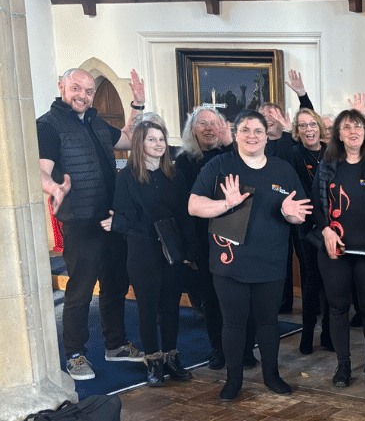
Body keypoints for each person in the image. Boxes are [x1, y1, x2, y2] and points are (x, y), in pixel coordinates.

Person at [188, 110, 312, 401]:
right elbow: (194, 205)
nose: (252, 136)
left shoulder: (282, 170)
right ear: (234, 133)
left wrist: (290, 215)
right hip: (229, 261)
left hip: (270, 261)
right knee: (233, 323)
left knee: (268, 322)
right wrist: (224, 205)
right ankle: (234, 380)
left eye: (258, 130)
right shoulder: (220, 165)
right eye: (245, 130)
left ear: (267, 135)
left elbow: (299, 214)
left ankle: (271, 375)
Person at [37, 67, 148, 381]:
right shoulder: (48, 125)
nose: (83, 95)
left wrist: (137, 105)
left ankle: (115, 345)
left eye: (88, 91)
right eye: (76, 88)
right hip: (80, 221)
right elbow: (42, 169)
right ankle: (75, 354)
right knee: (80, 291)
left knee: (115, 285)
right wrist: (52, 187)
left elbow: (127, 139)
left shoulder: (95, 121)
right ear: (62, 86)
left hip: (109, 220)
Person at [175, 104, 260, 371]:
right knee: (212, 300)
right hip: (204, 242)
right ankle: (219, 350)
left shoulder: (236, 156)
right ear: (193, 130)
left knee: (243, 298)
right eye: (203, 124)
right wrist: (190, 247)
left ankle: (246, 350)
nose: (209, 128)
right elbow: (183, 208)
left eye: (214, 123)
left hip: (239, 240)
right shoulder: (184, 162)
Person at [111, 120, 194, 387]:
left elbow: (183, 214)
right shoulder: (127, 177)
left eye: (161, 139)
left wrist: (189, 250)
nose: (158, 144)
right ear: (140, 144)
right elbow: (124, 218)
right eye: (151, 140)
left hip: (170, 249)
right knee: (147, 308)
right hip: (143, 249)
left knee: (171, 307)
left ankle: (171, 357)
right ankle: (153, 361)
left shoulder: (174, 174)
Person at [312, 110, 365, 387]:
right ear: (339, 134)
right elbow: (316, 208)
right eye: (347, 127)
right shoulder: (326, 166)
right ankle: (343, 366)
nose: (353, 131)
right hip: (336, 251)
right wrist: (325, 230)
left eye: (358, 126)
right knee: (337, 308)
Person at [287, 107, 332, 354]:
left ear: (319, 128)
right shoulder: (292, 154)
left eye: (312, 124)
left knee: (330, 281)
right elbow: (295, 189)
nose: (308, 129)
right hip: (306, 228)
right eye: (302, 126)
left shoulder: (330, 153)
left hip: (329, 225)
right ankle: (307, 334)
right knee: (310, 281)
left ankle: (327, 333)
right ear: (297, 130)